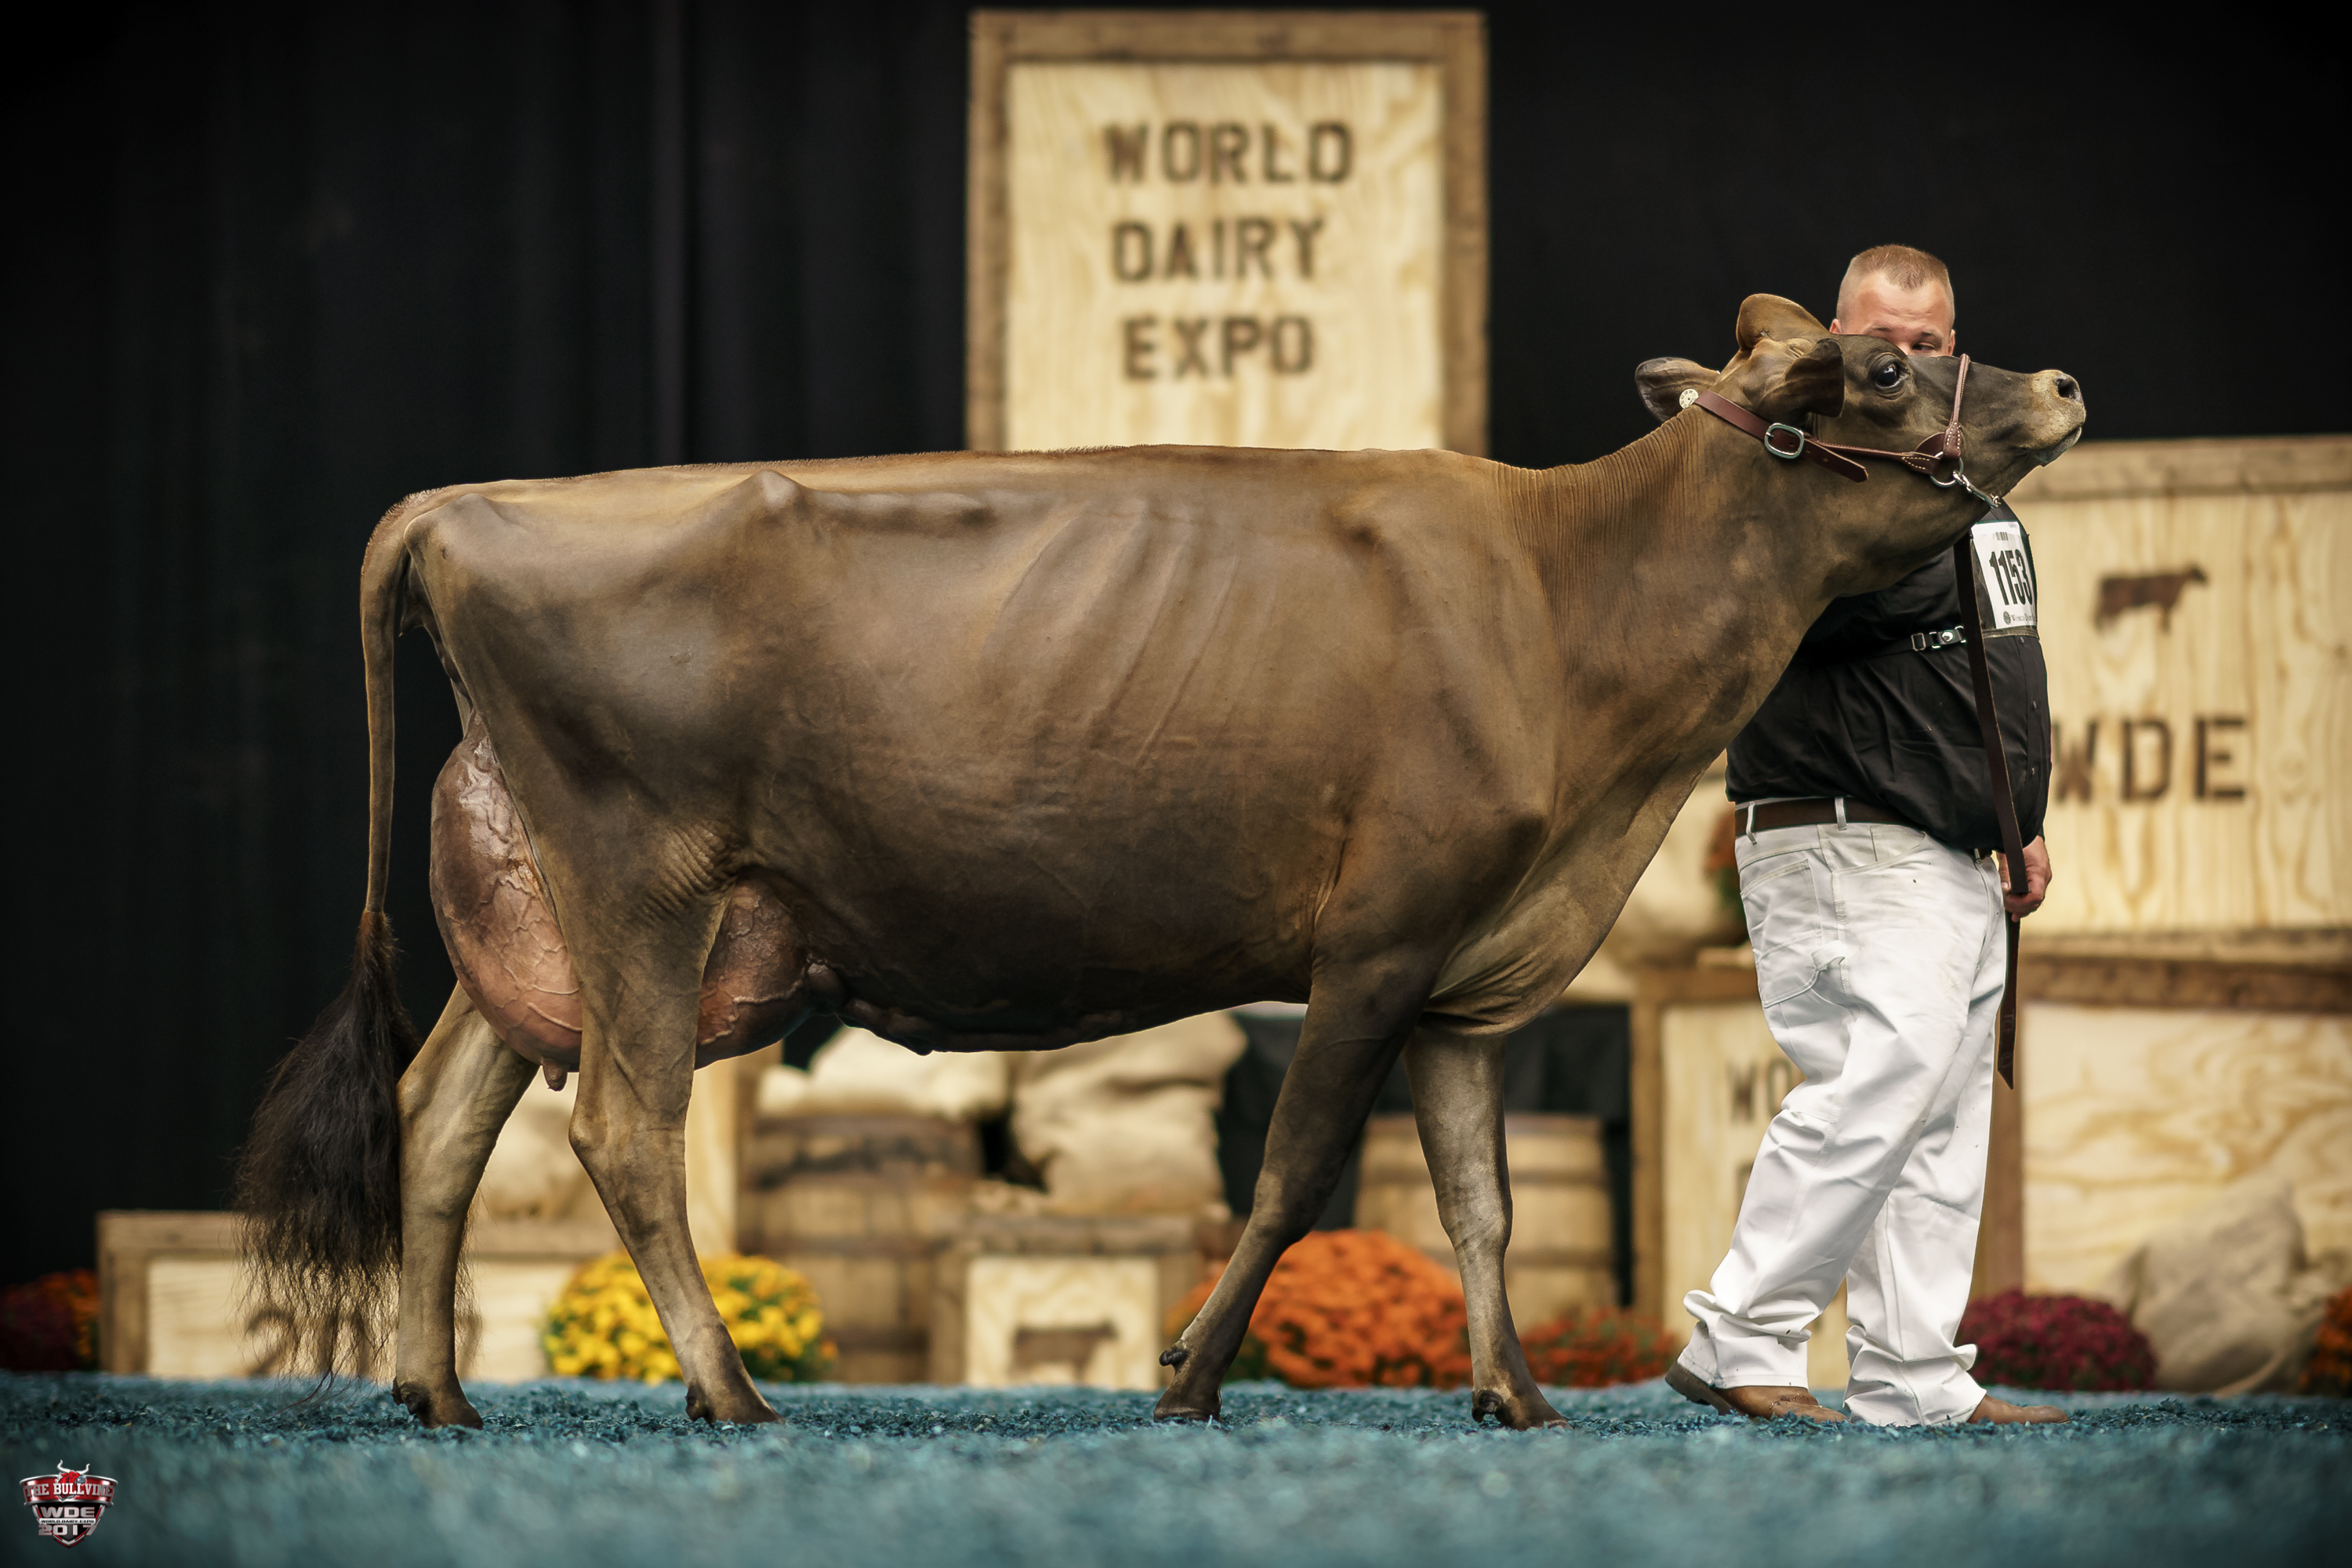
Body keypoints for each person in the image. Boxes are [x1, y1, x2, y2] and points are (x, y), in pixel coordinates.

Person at [1666, 245, 2067, 1427]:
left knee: (1938, 1114)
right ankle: (1741, 1335)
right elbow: (1829, 610)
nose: (1908, 361)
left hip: (1947, 846)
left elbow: (1991, 667)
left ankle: (1914, 1374)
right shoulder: (1802, 471)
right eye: (1882, 344)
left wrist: (2017, 821)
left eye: (1928, 343)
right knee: (1881, 1079)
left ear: (1955, 345)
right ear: (1839, 342)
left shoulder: (1964, 494)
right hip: (1844, 828)